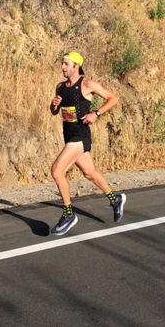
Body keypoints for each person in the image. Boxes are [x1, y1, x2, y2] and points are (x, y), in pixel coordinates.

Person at [49, 51, 126, 235]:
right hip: (69, 135)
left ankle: (68, 214)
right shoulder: (60, 87)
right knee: (89, 173)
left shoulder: (87, 84)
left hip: (80, 136)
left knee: (57, 171)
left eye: (66, 64)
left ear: (76, 66)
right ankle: (115, 199)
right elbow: (54, 112)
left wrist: (96, 113)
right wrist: (54, 105)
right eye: (62, 64)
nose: (63, 67)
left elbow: (113, 99)